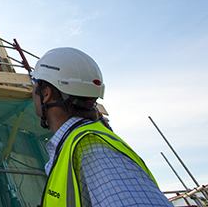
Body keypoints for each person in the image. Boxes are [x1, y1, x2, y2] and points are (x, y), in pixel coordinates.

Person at [31, 47, 171, 207]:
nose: (31, 90)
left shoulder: (94, 153)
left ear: (46, 93)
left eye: (34, 83)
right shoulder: (76, 148)